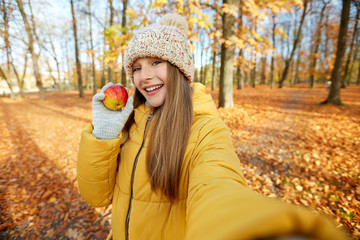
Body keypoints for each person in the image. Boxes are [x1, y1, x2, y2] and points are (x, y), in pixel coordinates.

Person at [77, 14, 347, 240]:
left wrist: (255, 229)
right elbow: (97, 197)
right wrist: (104, 134)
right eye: (136, 68)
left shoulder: (205, 129)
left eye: (156, 62)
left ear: (180, 69)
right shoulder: (131, 121)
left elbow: (218, 186)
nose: (144, 76)